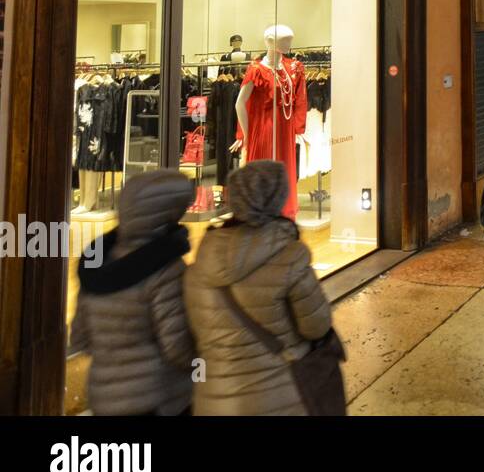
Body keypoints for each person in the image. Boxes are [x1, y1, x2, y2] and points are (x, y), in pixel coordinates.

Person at [184, 159, 333, 415]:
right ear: (278, 197)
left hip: (215, 400)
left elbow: (190, 334)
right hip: (281, 395)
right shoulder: (290, 256)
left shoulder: (202, 260)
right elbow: (317, 325)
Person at [69, 169, 196, 416]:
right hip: (159, 397)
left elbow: (80, 339)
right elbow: (178, 348)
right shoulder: (165, 270)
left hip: (105, 397)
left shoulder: (98, 265)